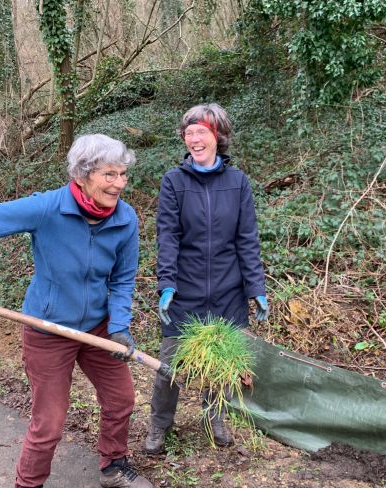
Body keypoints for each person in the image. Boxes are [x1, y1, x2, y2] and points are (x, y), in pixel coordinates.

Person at [0, 134, 153, 488]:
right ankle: (28, 484)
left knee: (121, 399)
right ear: (82, 174)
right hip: (47, 330)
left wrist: (120, 325)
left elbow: (122, 281)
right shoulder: (48, 208)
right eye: (109, 175)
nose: (119, 184)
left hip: (98, 328)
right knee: (48, 424)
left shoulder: (125, 219)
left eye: (123, 174)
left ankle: (113, 465)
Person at [145, 103, 269, 455]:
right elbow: (167, 236)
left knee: (222, 360)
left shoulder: (238, 182)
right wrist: (166, 283)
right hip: (185, 291)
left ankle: (214, 417)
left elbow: (247, 239)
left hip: (228, 291)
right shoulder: (174, 182)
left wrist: (256, 288)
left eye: (202, 131)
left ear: (219, 137)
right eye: (189, 133)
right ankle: (159, 424)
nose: (194, 138)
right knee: (169, 364)